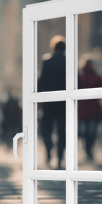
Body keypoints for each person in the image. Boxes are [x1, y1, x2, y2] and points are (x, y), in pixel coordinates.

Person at [38, 36, 66, 169]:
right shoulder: (69, 61)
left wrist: (38, 99)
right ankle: (60, 156)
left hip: (49, 100)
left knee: (46, 128)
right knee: (62, 130)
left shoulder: (47, 61)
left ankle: (49, 150)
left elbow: (41, 81)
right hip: (65, 101)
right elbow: (77, 82)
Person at [78, 59, 102, 161]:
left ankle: (87, 149)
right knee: (92, 132)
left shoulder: (80, 77)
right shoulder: (96, 77)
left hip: (83, 109)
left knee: (84, 132)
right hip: (93, 108)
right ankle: (90, 150)